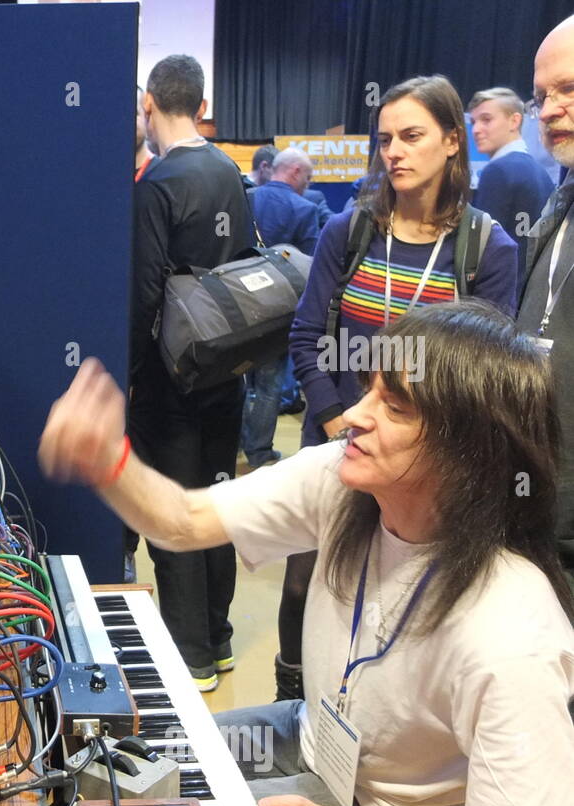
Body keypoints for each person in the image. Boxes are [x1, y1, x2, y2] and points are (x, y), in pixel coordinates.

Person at [38, 304, 574, 806]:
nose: (355, 415)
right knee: (134, 775)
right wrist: (107, 459)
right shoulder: (339, 481)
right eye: (370, 387)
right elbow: (181, 520)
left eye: (396, 406)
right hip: (316, 733)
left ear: (471, 452)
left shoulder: (510, 628)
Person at [278, 75, 518, 703]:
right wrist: (340, 424)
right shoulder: (349, 231)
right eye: (385, 139)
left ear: (451, 142)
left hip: (429, 463)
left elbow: (485, 377)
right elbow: (308, 338)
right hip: (339, 445)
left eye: (411, 136)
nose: (395, 152)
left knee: (410, 600)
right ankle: (293, 713)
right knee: (309, 585)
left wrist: (411, 446)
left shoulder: (488, 248)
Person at [128, 55, 253, 690]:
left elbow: (145, 292)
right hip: (223, 372)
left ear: (150, 102)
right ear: (201, 103)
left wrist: (123, 373)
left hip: (169, 380)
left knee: (172, 512)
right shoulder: (228, 169)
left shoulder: (157, 184)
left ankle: (190, 657)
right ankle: (220, 639)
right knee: (215, 506)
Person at [518, 15, 574, 591]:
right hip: (537, 520)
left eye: (569, 89)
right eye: (542, 96)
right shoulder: (558, 204)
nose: (551, 109)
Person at [242, 148, 320, 468]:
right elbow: (312, 267)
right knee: (269, 383)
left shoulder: (246, 198)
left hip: (236, 305)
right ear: (296, 172)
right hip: (278, 310)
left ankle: (235, 441)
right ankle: (259, 452)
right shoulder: (304, 209)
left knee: (236, 379)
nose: (308, 184)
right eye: (309, 177)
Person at [468, 87, 555, 248]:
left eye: (486, 120)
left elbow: (479, 246)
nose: (476, 130)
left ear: (514, 121)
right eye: (473, 122)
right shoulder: (541, 172)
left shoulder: (498, 171)